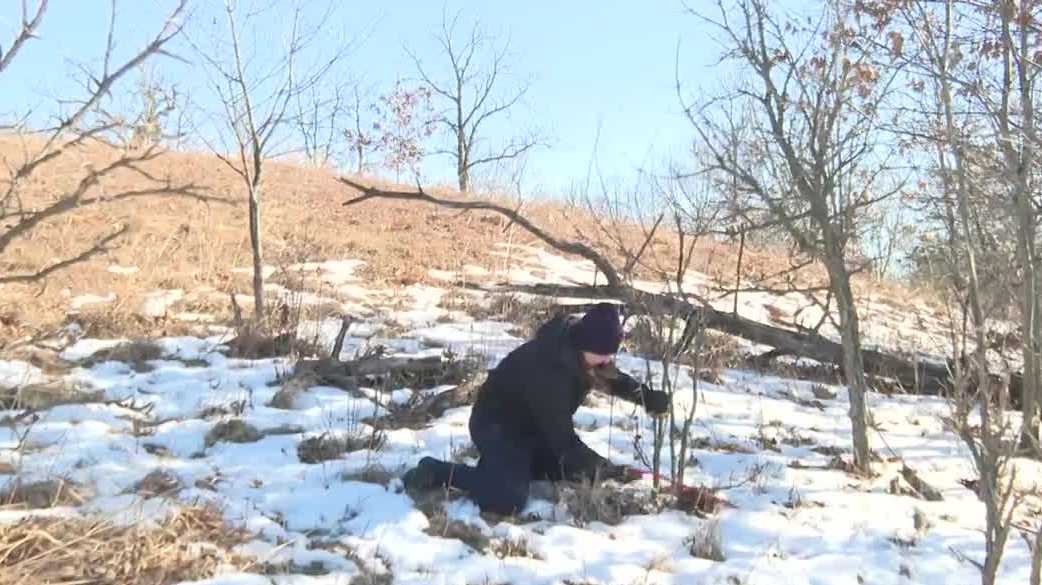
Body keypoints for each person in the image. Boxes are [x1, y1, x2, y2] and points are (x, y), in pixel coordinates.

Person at [401, 302, 670, 515]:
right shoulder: (549, 370)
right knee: (507, 500)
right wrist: (605, 467)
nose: (608, 359)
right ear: (587, 344)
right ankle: (436, 470)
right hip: (497, 426)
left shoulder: (582, 353)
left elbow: (613, 377)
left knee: (574, 473)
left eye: (612, 352)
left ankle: (505, 467)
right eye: (604, 352)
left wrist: (648, 398)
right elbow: (563, 441)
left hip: (535, 430)